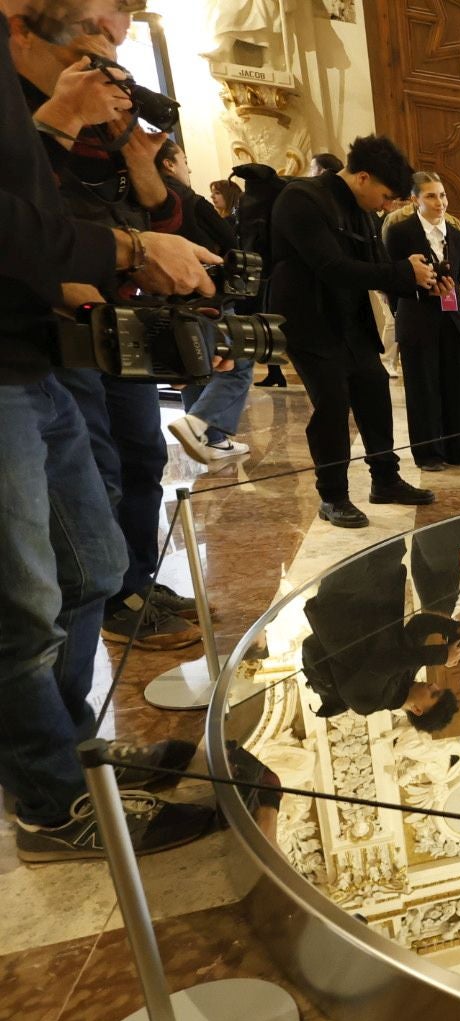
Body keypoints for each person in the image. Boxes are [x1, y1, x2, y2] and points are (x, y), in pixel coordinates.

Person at [1, 0, 221, 861]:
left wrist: (58, 122)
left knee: (90, 563)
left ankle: (73, 748)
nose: (116, 30)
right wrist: (130, 251)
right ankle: (52, 804)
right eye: (105, 13)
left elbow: (30, 203)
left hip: (37, 356)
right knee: (20, 609)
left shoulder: (29, 90)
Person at [14, 12, 210, 649]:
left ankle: (136, 576)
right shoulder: (31, 119)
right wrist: (66, 116)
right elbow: (38, 221)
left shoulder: (116, 144)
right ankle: (117, 595)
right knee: (97, 466)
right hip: (64, 320)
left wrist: (136, 153)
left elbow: (168, 220)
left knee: (143, 453)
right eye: (99, 44)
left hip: (127, 316)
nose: (116, 85)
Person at [269, 133, 441, 529]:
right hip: (309, 322)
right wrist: (400, 272)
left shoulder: (362, 210)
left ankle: (385, 480)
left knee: (374, 393)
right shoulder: (302, 199)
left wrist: (425, 280)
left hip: (351, 322)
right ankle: (333, 496)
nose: (385, 207)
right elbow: (332, 267)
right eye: (385, 196)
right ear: (363, 177)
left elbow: (377, 266)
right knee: (332, 404)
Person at [300, 538, 460, 730]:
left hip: (345, 599)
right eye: (439, 689)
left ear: (418, 710)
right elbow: (418, 625)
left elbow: (385, 662)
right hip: (380, 585)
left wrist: (442, 655)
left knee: (347, 538)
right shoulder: (409, 672)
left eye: (434, 694)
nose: (434, 686)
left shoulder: (368, 702)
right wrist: (454, 629)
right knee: (385, 530)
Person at [157, 138, 254, 465]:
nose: (189, 166)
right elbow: (230, 241)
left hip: (169, 295)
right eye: (184, 159)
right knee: (238, 362)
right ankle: (197, 425)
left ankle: (208, 438)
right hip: (207, 291)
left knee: (194, 362)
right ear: (169, 164)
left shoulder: (149, 201)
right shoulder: (190, 200)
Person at [382, 171, 460, 471]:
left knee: (454, 385)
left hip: (452, 318)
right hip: (417, 317)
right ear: (414, 199)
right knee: (422, 388)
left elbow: (458, 279)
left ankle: (457, 448)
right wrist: (419, 291)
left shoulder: (459, 238)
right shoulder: (399, 234)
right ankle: (429, 453)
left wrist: (445, 290)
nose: (440, 202)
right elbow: (391, 279)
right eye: (431, 196)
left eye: (443, 195)